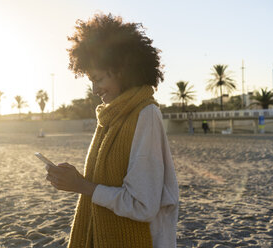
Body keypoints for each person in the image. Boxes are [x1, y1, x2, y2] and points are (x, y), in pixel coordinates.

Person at [45, 13, 179, 248]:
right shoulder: (110, 117)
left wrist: (82, 186)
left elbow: (142, 205)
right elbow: (106, 184)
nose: (95, 90)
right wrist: (74, 179)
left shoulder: (145, 114)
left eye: (98, 79)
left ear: (122, 70)